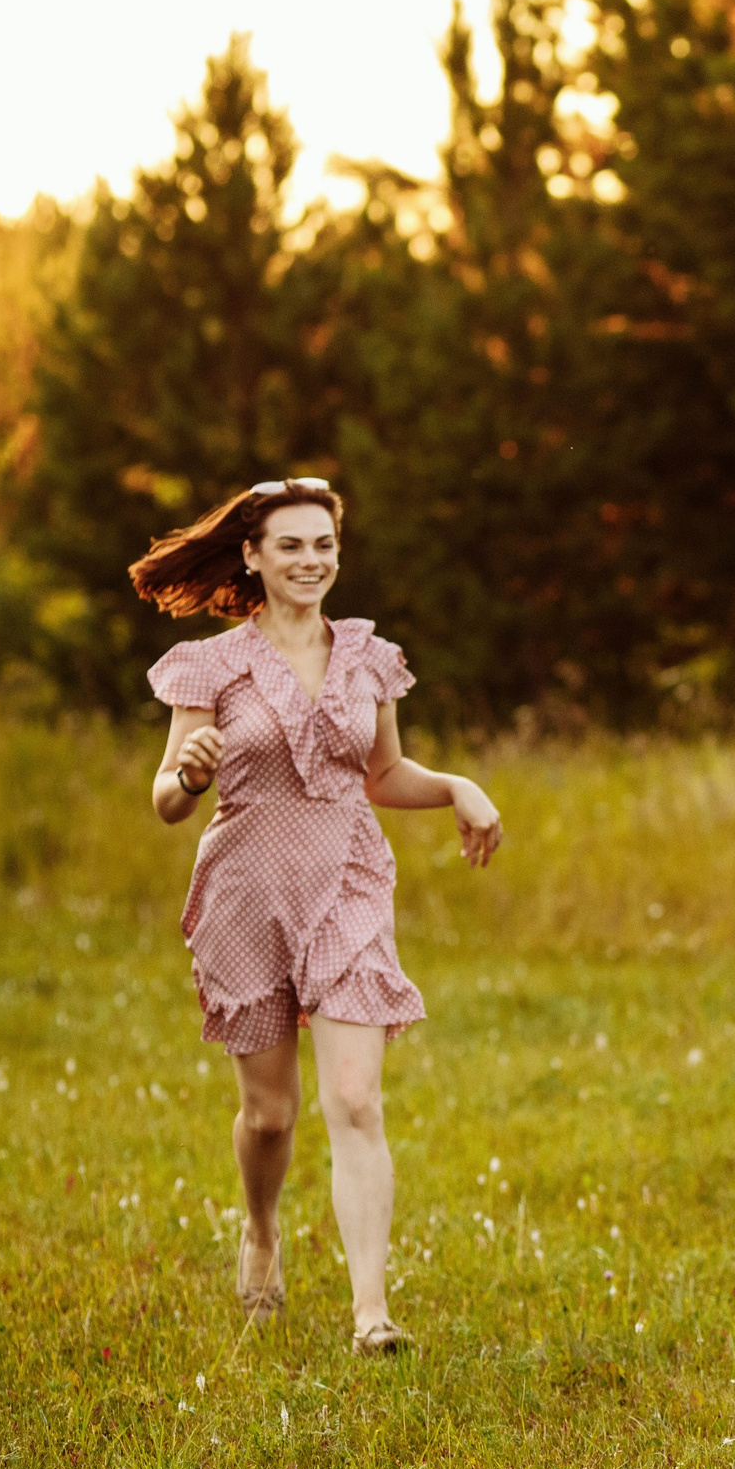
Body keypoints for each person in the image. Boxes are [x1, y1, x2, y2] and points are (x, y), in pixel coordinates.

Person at [131, 479, 503, 1354]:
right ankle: (260, 1230)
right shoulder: (211, 665)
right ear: (252, 556)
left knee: (355, 1099)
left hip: (347, 881)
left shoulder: (368, 657)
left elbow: (383, 777)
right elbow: (166, 802)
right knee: (272, 1115)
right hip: (246, 893)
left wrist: (456, 787)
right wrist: (187, 774)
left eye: (322, 545)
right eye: (290, 545)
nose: (310, 560)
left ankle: (371, 1313)